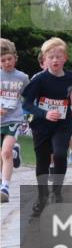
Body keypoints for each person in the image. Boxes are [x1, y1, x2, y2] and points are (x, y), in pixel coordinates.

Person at [20, 38, 72, 215]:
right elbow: (26, 104)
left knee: (59, 154)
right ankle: (42, 198)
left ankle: (57, 192)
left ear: (65, 58)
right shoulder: (39, 79)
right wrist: (44, 113)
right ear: (45, 59)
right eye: (51, 57)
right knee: (42, 162)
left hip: (63, 124)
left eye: (58, 56)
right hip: (41, 125)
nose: (55, 60)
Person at [1, 38, 29, 204]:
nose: (7, 62)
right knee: (1, 155)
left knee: (5, 152)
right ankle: (15, 153)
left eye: (9, 59)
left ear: (15, 58)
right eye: (3, 60)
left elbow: (30, 96)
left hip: (14, 119)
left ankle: (5, 188)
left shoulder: (22, 77)